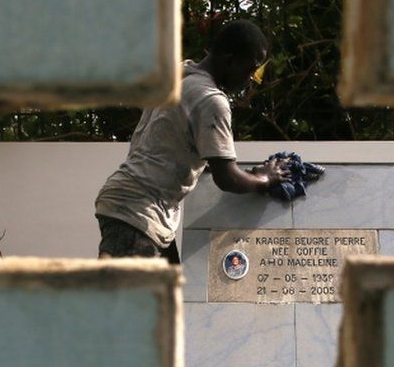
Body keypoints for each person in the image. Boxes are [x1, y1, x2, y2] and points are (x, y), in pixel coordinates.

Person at [94, 20, 288, 262]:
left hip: (137, 208)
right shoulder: (209, 99)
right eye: (251, 70)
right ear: (230, 61)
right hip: (139, 212)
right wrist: (264, 178)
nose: (251, 79)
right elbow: (226, 177)